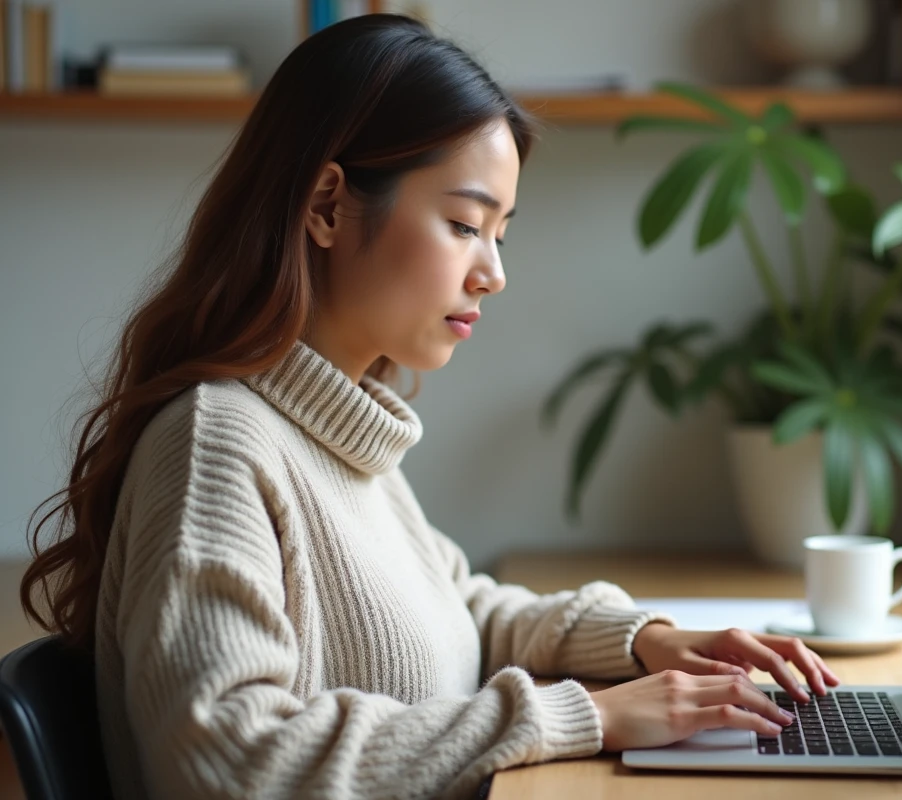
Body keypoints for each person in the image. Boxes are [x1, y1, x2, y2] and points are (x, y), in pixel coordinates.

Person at [20, 14, 839, 800]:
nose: (493, 273)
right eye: (462, 224)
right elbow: (228, 763)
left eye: (500, 235)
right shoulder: (218, 446)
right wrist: (583, 714)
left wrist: (641, 640)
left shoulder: (337, 436)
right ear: (327, 205)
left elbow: (458, 611)